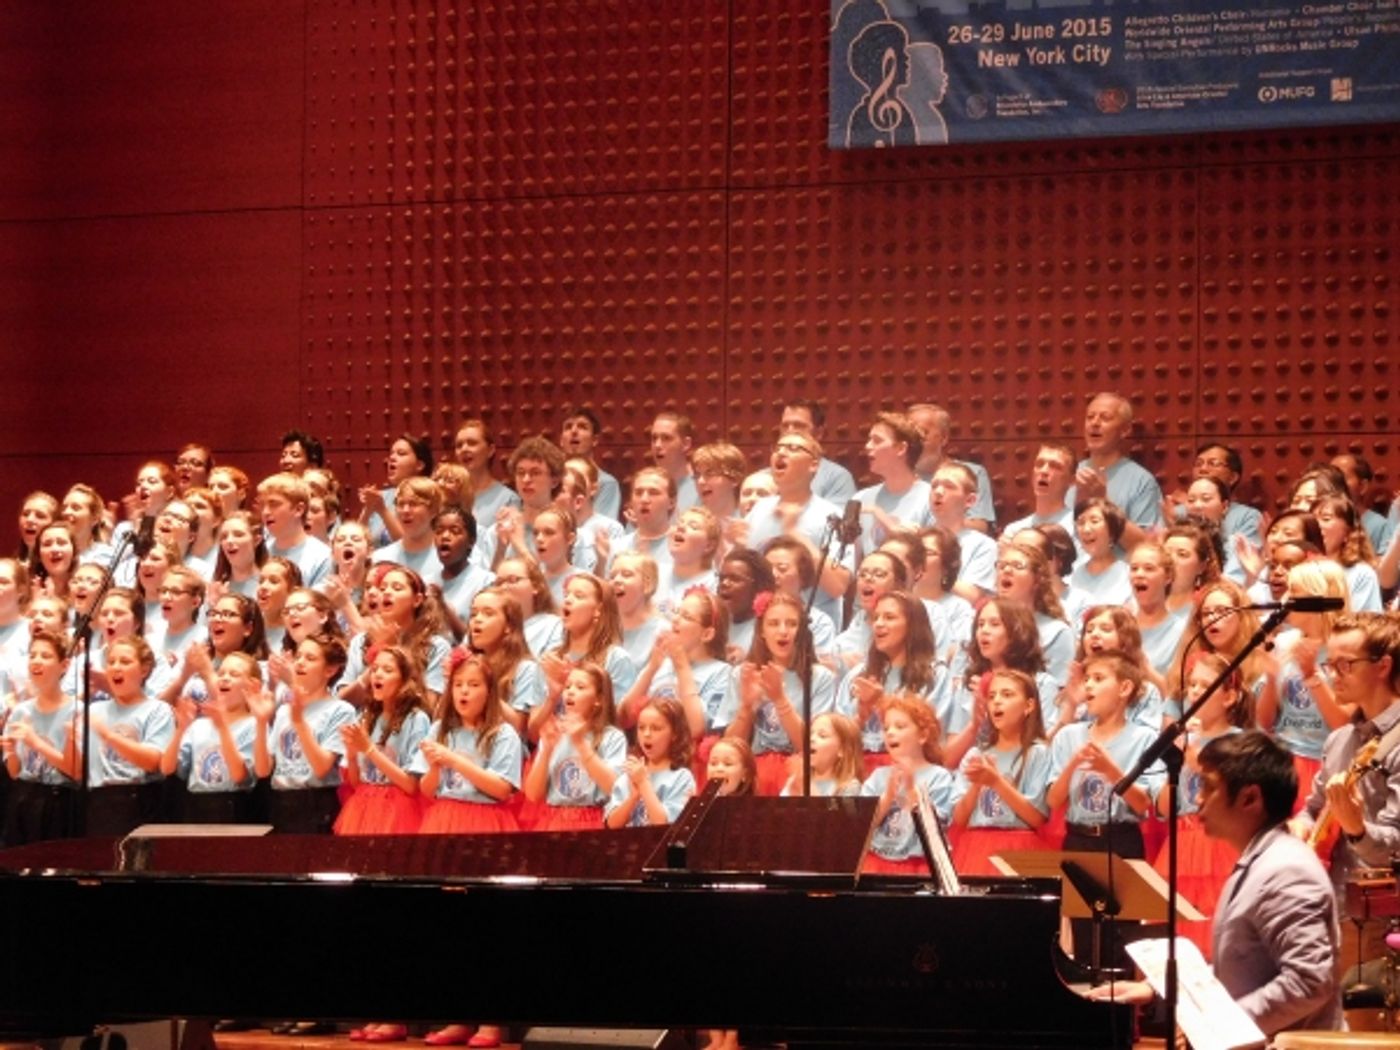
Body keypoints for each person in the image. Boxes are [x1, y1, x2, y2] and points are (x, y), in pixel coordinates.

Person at [1091, 731, 1342, 1039]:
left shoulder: (1286, 871)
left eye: (1208, 788)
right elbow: (1241, 968)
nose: (1197, 800)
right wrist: (1157, 989)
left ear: (1250, 798)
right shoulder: (1260, 860)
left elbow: (1309, 982)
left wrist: (1216, 1026)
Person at [412, 649, 522, 1049]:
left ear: (489, 691)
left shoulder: (502, 734)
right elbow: (426, 789)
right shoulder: (443, 731)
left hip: (486, 825)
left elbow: (503, 788)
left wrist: (456, 761)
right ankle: (458, 1017)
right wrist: (438, 767)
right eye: (459, 685)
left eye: (474, 685)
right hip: (444, 823)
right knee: (450, 931)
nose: (464, 692)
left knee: (487, 930)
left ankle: (492, 1023)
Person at [1289, 611, 1400, 973]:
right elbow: (1315, 807)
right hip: (1333, 906)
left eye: (1345, 665)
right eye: (1329, 664)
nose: (1332, 674)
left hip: (1384, 917)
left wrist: (1358, 830)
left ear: (1383, 666)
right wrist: (1302, 826)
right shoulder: (1340, 740)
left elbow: (1396, 843)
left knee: (1368, 1026)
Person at [1153, 652, 1250, 960]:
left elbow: (1233, 792)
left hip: (1219, 842)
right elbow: (1168, 807)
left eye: (1205, 686)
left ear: (1229, 697)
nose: (1195, 692)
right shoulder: (1179, 740)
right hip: (1180, 841)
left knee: (1215, 928)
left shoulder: (1240, 741)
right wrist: (1176, 756)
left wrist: (1194, 757)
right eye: (1192, 685)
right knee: (1176, 933)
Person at [716, 590, 838, 795]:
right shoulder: (743, 674)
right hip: (753, 774)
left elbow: (811, 747)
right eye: (773, 623)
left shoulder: (820, 677)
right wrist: (747, 707)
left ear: (801, 630)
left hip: (798, 773)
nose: (783, 631)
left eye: (791, 623)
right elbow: (731, 746)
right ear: (761, 631)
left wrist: (780, 699)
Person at [251, 632, 356, 834]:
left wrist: (299, 722)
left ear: (330, 670)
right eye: (299, 656)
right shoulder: (284, 710)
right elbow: (263, 770)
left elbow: (321, 768)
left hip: (316, 803)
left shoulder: (340, 710)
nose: (300, 663)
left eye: (310, 658)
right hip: (281, 801)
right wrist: (261, 722)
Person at [951, 668, 1051, 876]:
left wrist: (996, 782)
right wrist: (978, 783)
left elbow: (1037, 817)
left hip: (1018, 848)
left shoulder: (1037, 753)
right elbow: (959, 818)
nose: (996, 701)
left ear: (1029, 706)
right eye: (991, 696)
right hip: (975, 848)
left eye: (1007, 695)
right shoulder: (975, 754)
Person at [85, 634, 176, 836]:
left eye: (125, 661)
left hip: (139, 801)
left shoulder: (157, 710)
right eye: (111, 662)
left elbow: (154, 761)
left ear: (144, 670)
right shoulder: (94, 710)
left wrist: (109, 736)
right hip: (97, 802)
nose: (116, 667)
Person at [334, 645, 430, 835]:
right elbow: (356, 783)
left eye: (387, 670)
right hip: (362, 810)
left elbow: (411, 786)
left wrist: (369, 749)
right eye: (375, 669)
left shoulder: (417, 719)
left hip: (398, 813)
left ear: (405, 680)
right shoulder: (367, 716)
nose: (377, 674)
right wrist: (352, 756)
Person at [860, 692, 959, 874]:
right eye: (886, 727)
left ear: (922, 735)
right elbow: (862, 825)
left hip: (919, 865)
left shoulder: (939, 777)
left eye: (900, 726)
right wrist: (888, 796)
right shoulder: (878, 777)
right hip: (877, 863)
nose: (890, 732)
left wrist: (912, 790)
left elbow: (936, 827)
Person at [158, 650, 260, 823]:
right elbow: (167, 768)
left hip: (234, 807)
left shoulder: (254, 725)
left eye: (234, 674)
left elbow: (239, 776)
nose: (225, 677)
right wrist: (181, 729)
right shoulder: (199, 726)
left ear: (252, 685)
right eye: (221, 673)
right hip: (195, 806)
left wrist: (222, 728)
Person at [523, 662, 627, 831]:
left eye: (580, 687)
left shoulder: (611, 737)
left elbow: (614, 787)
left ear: (599, 700)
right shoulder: (554, 733)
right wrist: (546, 751)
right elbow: (533, 795)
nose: (570, 691)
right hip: (554, 822)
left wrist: (581, 744)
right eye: (567, 686)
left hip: (593, 822)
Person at [2, 629, 81, 844]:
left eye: (45, 656)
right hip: (23, 798)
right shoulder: (21, 711)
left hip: (59, 802)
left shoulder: (77, 711)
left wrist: (35, 742)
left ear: (64, 665)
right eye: (33, 655)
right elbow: (15, 771)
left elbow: (75, 771)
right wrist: (9, 750)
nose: (36, 661)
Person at [1067, 392, 1164, 544]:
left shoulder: (1142, 482)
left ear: (1125, 430)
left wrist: (1104, 502)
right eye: (1090, 417)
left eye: (1105, 418)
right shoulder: (1069, 473)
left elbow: (1148, 544)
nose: (1095, 423)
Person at [604, 696, 696, 827]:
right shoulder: (630, 775)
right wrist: (633, 798)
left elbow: (661, 823)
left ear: (674, 734)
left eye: (656, 728)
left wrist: (643, 783)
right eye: (641, 728)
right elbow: (612, 824)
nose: (646, 734)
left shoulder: (681, 777)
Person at [906, 403, 995, 533]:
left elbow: (980, 527)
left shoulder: (972, 473)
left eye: (922, 433)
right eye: (908, 434)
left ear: (944, 438)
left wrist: (925, 530)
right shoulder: (897, 477)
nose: (913, 441)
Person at [852, 411, 930, 555]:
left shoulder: (931, 498)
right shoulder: (860, 499)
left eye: (877, 440)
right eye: (869, 440)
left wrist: (879, 514)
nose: (867, 446)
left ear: (901, 448)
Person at [927, 463, 996, 600]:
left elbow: (973, 596)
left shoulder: (983, 546)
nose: (938, 491)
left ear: (970, 500)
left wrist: (932, 573)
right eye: (934, 486)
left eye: (949, 486)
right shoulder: (916, 540)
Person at [258, 473, 332, 589]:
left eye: (274, 504)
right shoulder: (259, 553)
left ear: (298, 509)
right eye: (263, 506)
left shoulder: (323, 557)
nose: (265, 512)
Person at [780, 399, 857, 505]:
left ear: (819, 433)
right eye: (785, 425)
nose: (790, 431)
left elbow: (837, 519)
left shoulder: (837, 478)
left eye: (799, 425)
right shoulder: (762, 478)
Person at [1001, 444, 1077, 540]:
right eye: (1039, 464)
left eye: (1055, 466)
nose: (1044, 471)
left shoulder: (1077, 527)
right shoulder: (1013, 531)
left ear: (1072, 480)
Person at [559, 406, 621, 521]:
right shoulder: (551, 479)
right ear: (561, 440)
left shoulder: (606, 483)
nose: (574, 431)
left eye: (582, 427)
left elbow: (602, 526)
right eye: (568, 427)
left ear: (595, 440)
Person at [781, 711, 863, 797]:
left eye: (822, 736)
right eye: (810, 734)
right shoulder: (796, 780)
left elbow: (825, 810)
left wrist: (806, 785)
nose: (811, 739)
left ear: (842, 750)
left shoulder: (851, 787)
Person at [649, 410, 699, 513]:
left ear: (686, 444)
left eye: (666, 438)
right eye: (654, 438)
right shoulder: (645, 484)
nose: (657, 445)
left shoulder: (702, 485)